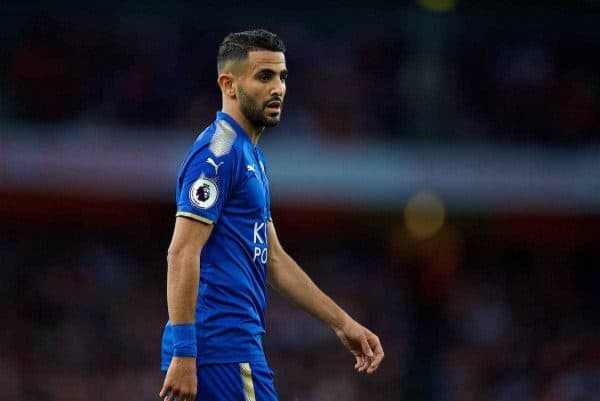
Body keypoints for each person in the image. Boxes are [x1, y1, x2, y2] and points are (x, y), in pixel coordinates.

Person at [159, 29, 384, 401]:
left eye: (282, 77)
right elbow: (182, 252)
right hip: (222, 351)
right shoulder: (218, 153)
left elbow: (274, 259)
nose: (277, 88)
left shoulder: (250, 156)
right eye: (264, 77)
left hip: (224, 351)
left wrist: (342, 323)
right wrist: (185, 352)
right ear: (228, 84)